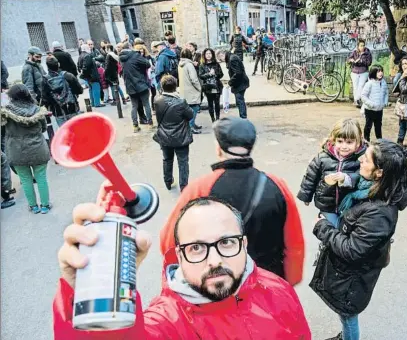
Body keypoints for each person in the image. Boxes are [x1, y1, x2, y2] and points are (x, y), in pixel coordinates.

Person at [53, 196, 311, 339]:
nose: (214, 261)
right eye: (197, 248)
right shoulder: (167, 321)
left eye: (227, 242)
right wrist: (83, 292)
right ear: (179, 255)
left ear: (243, 244)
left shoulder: (278, 289)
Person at [159, 117, 305, 286]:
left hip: (218, 284)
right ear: (250, 147)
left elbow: (169, 243)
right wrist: (287, 285)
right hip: (268, 284)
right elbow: (294, 245)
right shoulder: (277, 186)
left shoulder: (199, 189)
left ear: (219, 148)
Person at [311, 139, 407, 340]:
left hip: (354, 277)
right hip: (351, 271)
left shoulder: (379, 213)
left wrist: (323, 228)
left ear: (379, 172)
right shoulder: (369, 186)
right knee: (346, 314)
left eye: (365, 160)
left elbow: (353, 250)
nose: (360, 162)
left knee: (348, 315)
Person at [297, 118, 366, 226]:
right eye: (340, 141)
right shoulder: (322, 157)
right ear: (333, 140)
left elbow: (362, 177)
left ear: (358, 141)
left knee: (344, 232)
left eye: (349, 142)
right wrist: (306, 196)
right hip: (326, 204)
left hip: (350, 206)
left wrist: (346, 178)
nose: (344, 146)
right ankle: (327, 242)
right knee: (331, 228)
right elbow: (311, 177)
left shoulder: (362, 158)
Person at [0, 84, 51, 214]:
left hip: (16, 151)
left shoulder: (6, 113)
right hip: (38, 148)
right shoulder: (37, 110)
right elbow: (44, 128)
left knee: (25, 179)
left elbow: (2, 131)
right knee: (41, 177)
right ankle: (45, 205)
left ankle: (33, 207)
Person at [153, 75, 194, 191]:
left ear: (162, 87)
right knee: (183, 162)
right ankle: (184, 186)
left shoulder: (157, 100)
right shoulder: (181, 102)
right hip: (181, 137)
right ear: (176, 87)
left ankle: (168, 181)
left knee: (167, 159)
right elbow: (190, 115)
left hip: (164, 137)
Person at [119, 42, 154, 132]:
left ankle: (135, 126)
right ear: (130, 47)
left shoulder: (121, 57)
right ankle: (150, 124)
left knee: (134, 106)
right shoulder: (135, 55)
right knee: (146, 104)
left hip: (130, 85)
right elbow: (147, 64)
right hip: (140, 83)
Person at [42, 56, 83, 126]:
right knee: (77, 131)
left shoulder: (45, 80)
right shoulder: (68, 76)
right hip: (72, 108)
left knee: (65, 133)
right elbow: (80, 90)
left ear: (47, 67)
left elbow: (45, 98)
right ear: (58, 64)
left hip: (58, 111)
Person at [361, 65, 389, 142]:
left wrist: (385, 102)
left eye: (381, 71)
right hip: (370, 109)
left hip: (379, 109)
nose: (381, 73)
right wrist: (371, 104)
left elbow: (386, 92)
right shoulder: (369, 84)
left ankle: (380, 141)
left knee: (378, 126)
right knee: (368, 126)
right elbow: (363, 96)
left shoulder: (383, 82)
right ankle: (366, 141)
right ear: (373, 73)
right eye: (378, 71)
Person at [179, 48, 202, 134]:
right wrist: (199, 88)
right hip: (191, 89)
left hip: (184, 90)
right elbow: (194, 79)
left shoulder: (180, 64)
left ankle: (192, 124)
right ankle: (191, 126)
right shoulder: (189, 65)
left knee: (189, 108)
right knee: (195, 108)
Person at [199, 48, 224, 123]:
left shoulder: (216, 64)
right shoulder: (202, 65)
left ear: (212, 55)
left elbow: (221, 74)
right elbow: (201, 76)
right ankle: (213, 119)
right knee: (210, 104)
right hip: (208, 87)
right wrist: (209, 74)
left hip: (216, 86)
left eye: (210, 53)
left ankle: (218, 118)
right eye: (207, 54)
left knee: (217, 103)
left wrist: (215, 74)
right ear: (204, 55)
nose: (208, 55)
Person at [224, 51, 250, 119]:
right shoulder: (232, 57)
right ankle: (243, 117)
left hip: (240, 83)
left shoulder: (232, 59)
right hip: (240, 82)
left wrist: (230, 83)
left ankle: (243, 118)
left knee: (240, 101)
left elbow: (237, 73)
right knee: (239, 101)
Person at [347, 39, 372, 108]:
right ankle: (356, 100)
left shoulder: (367, 52)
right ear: (358, 46)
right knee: (355, 87)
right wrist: (351, 60)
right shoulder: (354, 52)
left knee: (361, 86)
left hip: (363, 71)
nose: (362, 47)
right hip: (354, 71)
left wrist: (361, 61)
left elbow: (369, 62)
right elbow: (348, 59)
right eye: (361, 46)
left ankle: (357, 100)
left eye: (363, 45)